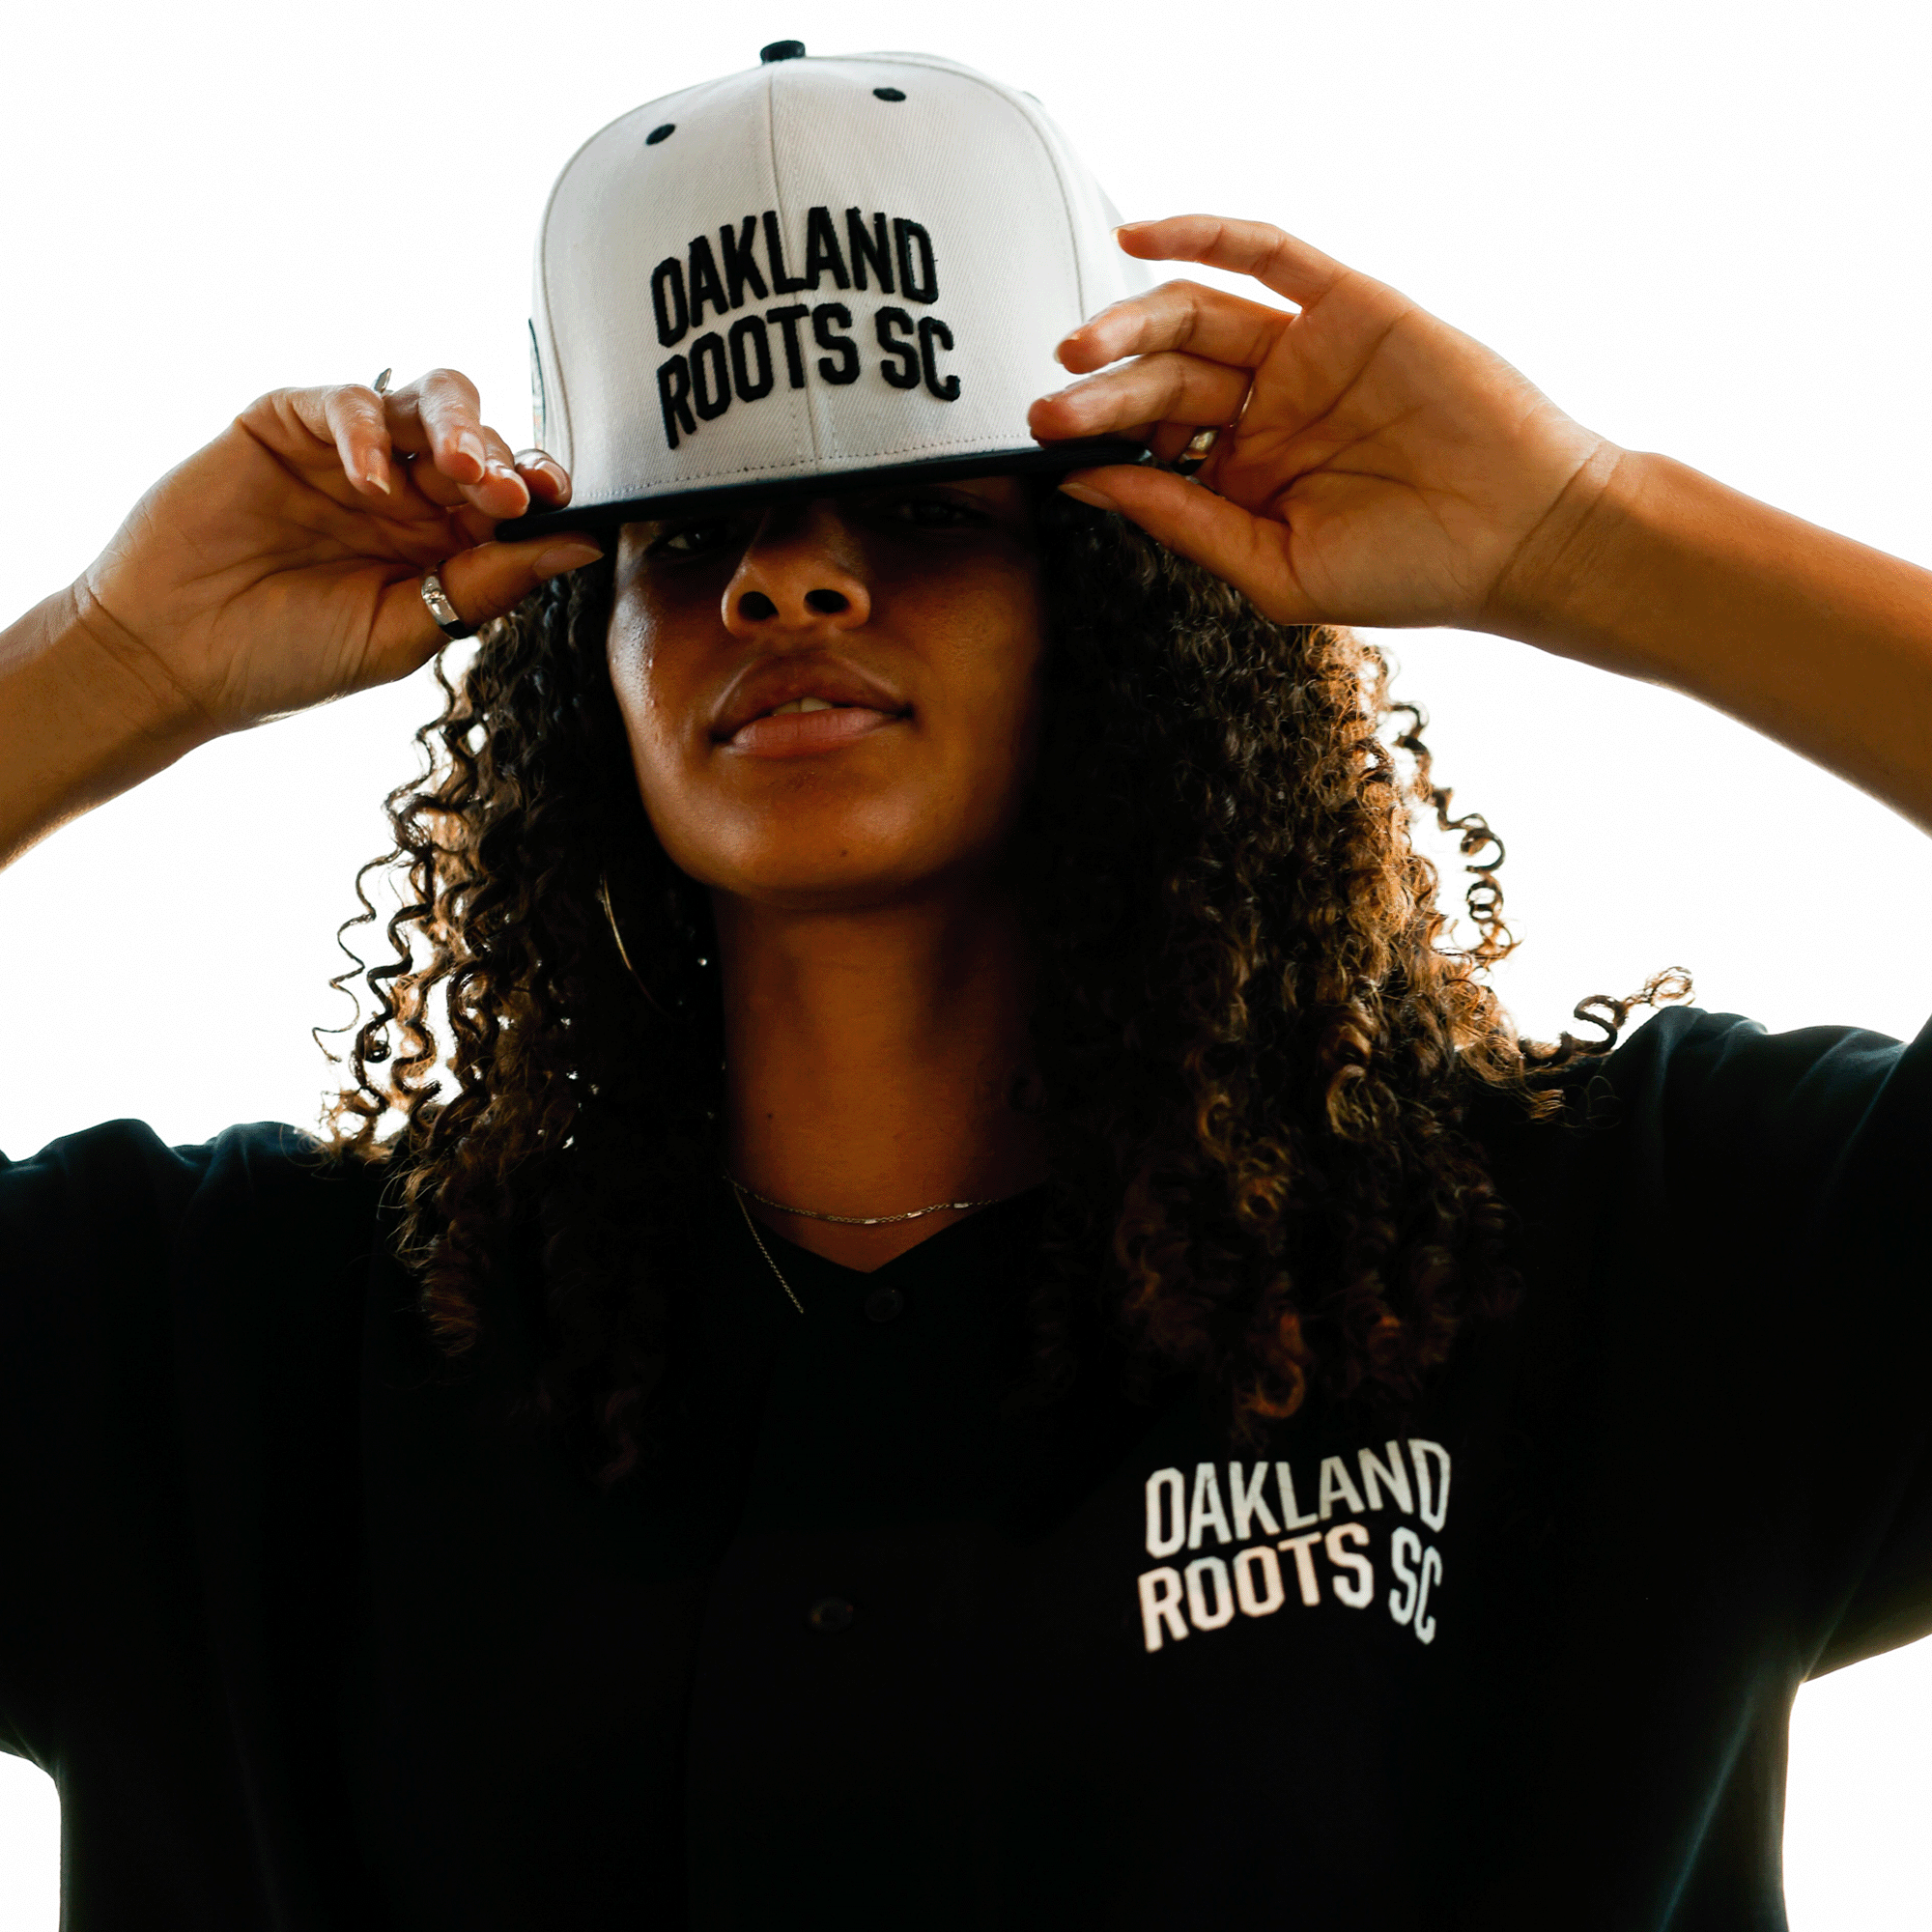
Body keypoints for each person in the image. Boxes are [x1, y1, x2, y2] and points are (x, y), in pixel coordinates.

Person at [1, 41, 1928, 1932]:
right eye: (689, 537)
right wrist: (105, 653)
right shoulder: (213, 1353)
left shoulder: (1625, 1260)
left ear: (1128, 592)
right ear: (575, 648)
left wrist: (1590, 531)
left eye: (923, 506)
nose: (788, 586)